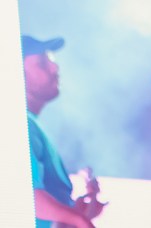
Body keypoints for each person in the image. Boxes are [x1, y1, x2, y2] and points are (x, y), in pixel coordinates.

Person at [23, 35, 105, 228]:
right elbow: (27, 196)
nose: (55, 67)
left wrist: (80, 210)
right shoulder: (22, 125)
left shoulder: (32, 125)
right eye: (42, 63)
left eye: (51, 60)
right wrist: (79, 219)